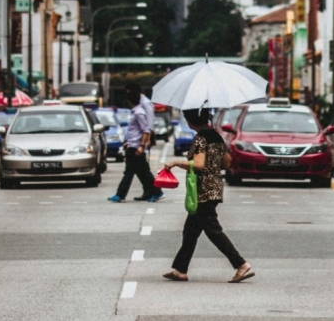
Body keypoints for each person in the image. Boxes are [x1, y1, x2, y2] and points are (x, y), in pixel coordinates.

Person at [161, 108, 253, 283]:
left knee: (213, 230)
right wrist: (213, 162)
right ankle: (180, 269)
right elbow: (227, 162)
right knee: (190, 231)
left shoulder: (201, 138)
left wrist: (176, 162)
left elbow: (199, 164)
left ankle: (240, 264)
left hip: (204, 190)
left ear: (191, 121)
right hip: (215, 186)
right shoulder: (216, 137)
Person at [108, 88, 160, 203]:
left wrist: (141, 146)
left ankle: (120, 195)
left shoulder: (138, 113)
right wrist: (129, 142)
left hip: (135, 148)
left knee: (129, 172)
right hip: (133, 145)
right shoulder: (137, 112)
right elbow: (137, 131)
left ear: (129, 101)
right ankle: (156, 191)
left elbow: (146, 130)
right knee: (143, 172)